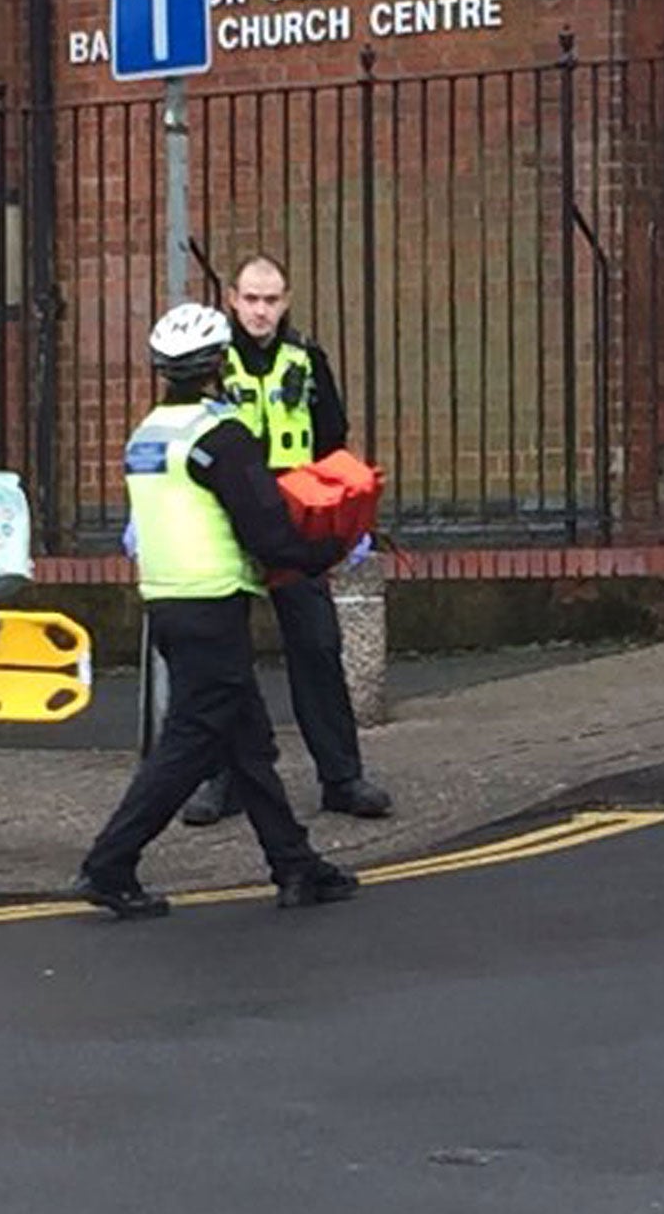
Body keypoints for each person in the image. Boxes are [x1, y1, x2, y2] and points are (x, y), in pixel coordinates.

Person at [73, 302, 360, 920]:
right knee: (189, 743)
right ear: (221, 362)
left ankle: (296, 864)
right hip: (214, 602)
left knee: (249, 744)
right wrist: (330, 548)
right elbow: (269, 531)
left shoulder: (148, 434)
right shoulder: (222, 436)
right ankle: (110, 862)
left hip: (168, 602)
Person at [178, 253, 393, 826]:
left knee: (318, 647)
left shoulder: (307, 357)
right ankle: (222, 781)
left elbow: (332, 439)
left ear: (287, 300)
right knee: (226, 657)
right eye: (251, 298)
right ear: (232, 299)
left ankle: (342, 777)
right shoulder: (210, 362)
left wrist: (344, 513)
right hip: (228, 513)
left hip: (295, 518)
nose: (260, 310)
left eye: (271, 300)